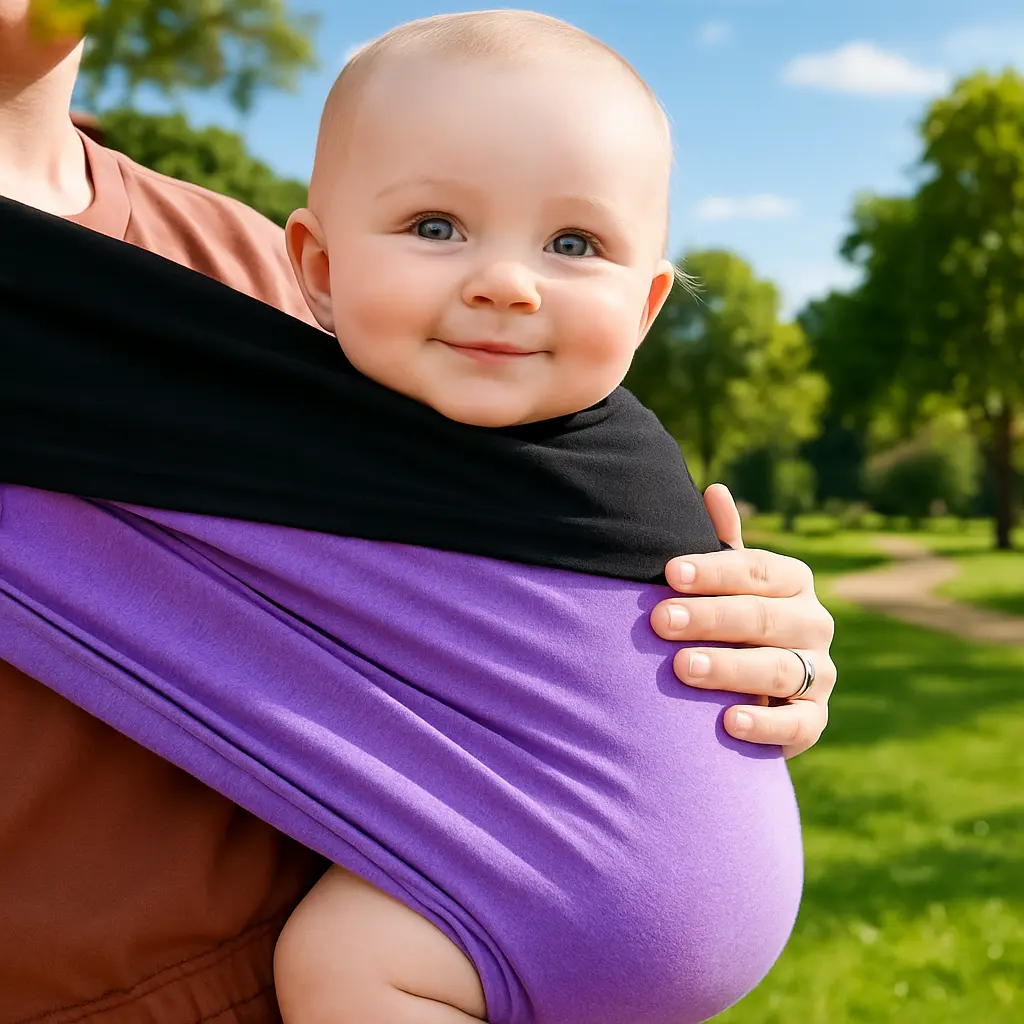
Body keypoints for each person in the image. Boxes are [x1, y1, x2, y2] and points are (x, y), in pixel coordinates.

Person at [0, 5, 836, 1024]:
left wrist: (747, 645)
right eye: (437, 229)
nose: (503, 283)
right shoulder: (334, 287)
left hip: (499, 898)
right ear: (324, 266)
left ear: (648, 302)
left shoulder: (254, 276)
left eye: (573, 242)